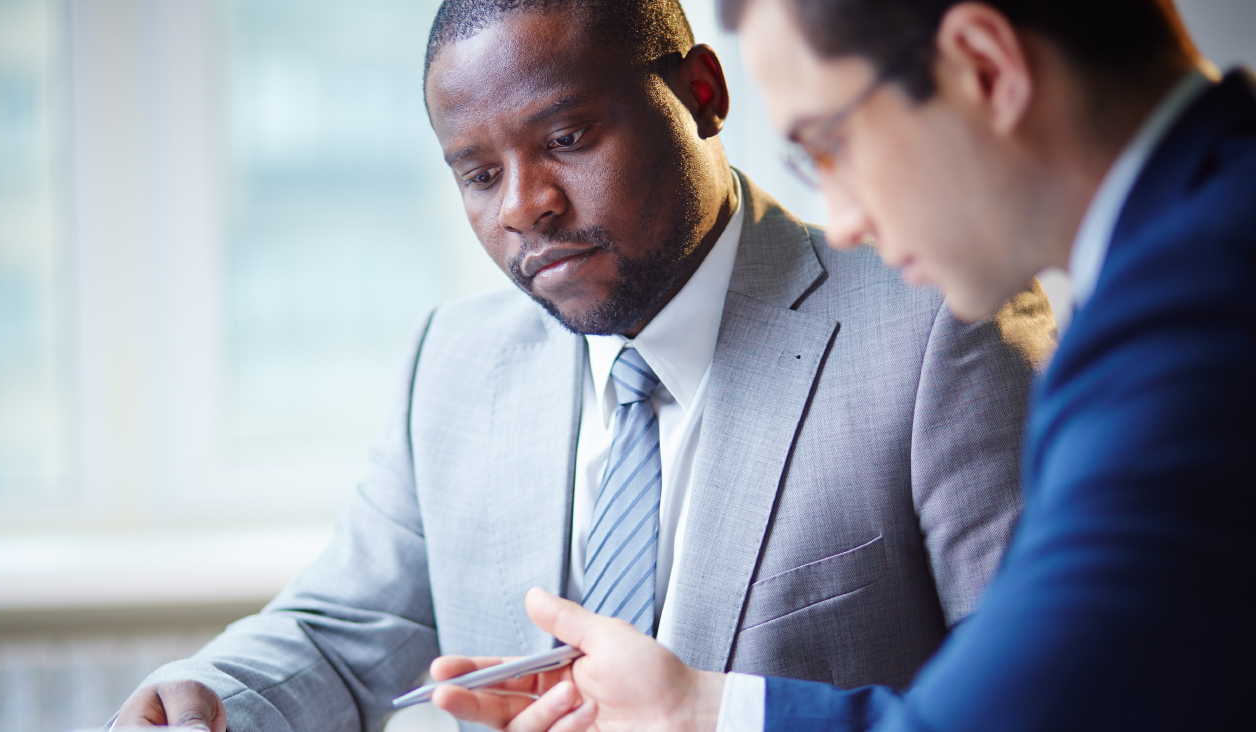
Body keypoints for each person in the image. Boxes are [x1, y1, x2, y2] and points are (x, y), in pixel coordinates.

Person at [111, 1, 1053, 730]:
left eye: (567, 139)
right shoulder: (455, 362)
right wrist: (206, 693)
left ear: (701, 95)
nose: (526, 206)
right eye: (479, 175)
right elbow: (346, 630)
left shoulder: (940, 322)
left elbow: (1049, 690)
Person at [426, 0, 1256, 730]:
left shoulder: (1192, 315)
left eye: (831, 144)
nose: (846, 221)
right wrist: (692, 709)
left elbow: (1041, 710)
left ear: (985, 67)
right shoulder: (1188, 256)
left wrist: (702, 715)